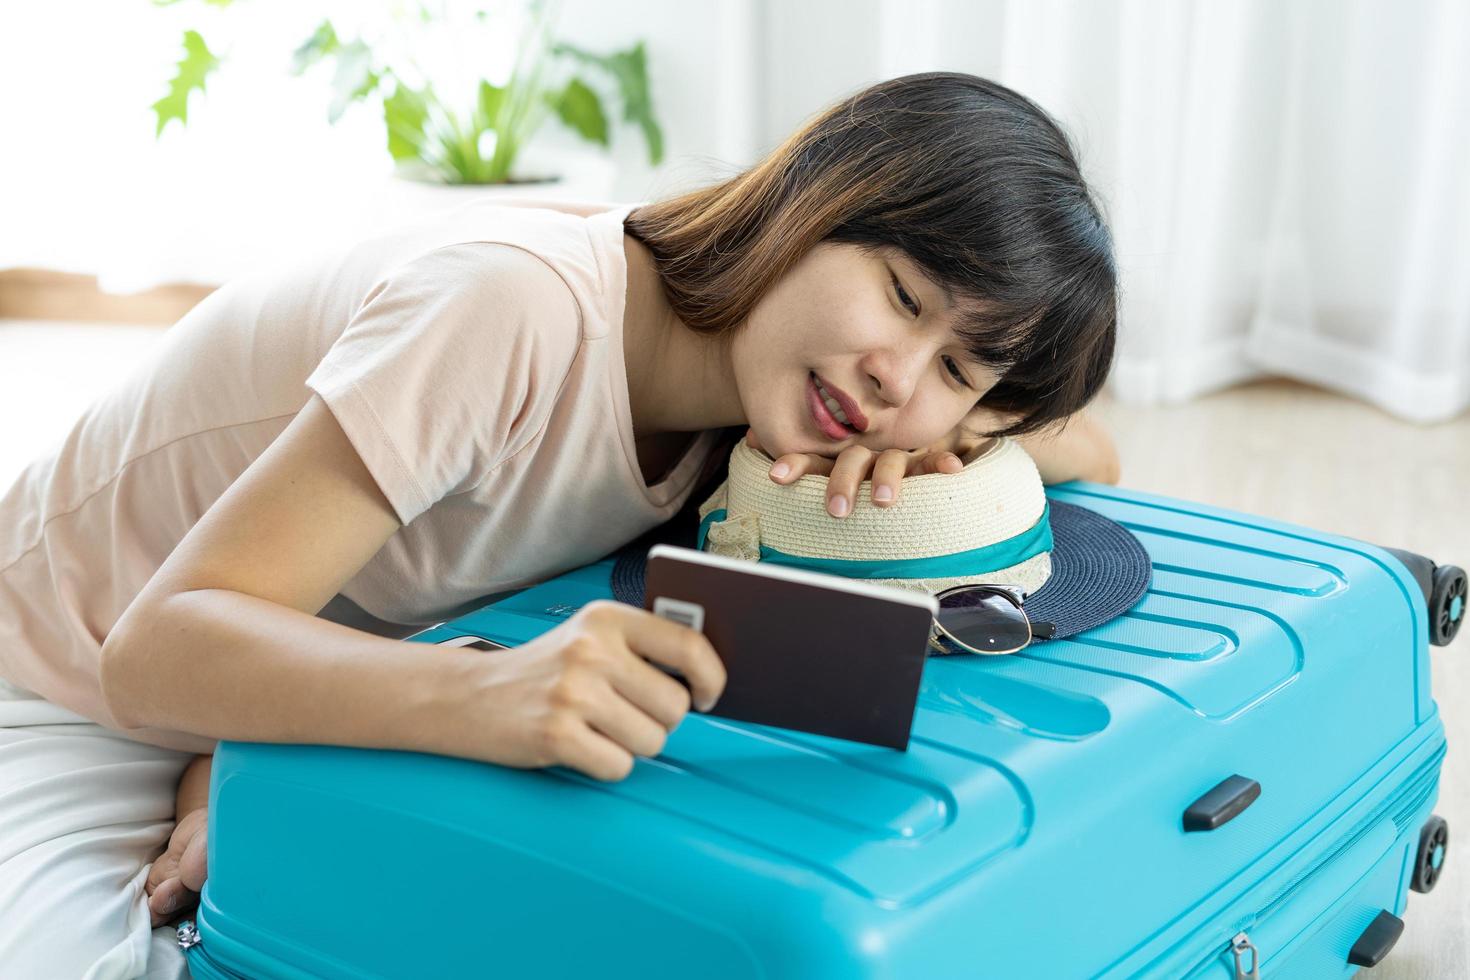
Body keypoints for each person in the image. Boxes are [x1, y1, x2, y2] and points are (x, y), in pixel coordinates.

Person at [0, 70, 1119, 977]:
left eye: (957, 367)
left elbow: (1094, 449)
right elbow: (156, 650)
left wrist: (949, 433)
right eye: (905, 297)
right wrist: (490, 689)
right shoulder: (510, 310)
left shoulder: (768, 391)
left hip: (277, 661)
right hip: (65, 672)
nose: (893, 375)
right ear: (811, 201)